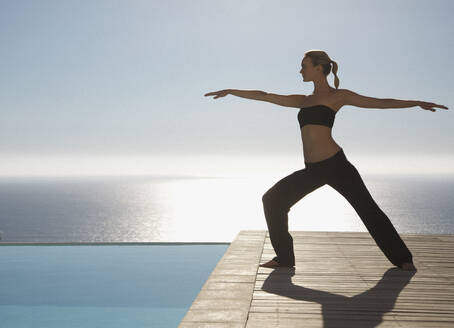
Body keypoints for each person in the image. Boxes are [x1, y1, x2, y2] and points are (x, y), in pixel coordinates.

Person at [204, 49, 449, 272]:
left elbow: (380, 103)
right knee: (273, 199)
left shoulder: (338, 96)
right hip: (313, 169)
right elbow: (266, 96)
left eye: (304, 65)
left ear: (319, 68)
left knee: (368, 209)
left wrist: (416, 103)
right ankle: (285, 258)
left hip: (336, 164)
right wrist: (232, 91)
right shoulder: (303, 100)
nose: (300, 70)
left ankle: (403, 258)